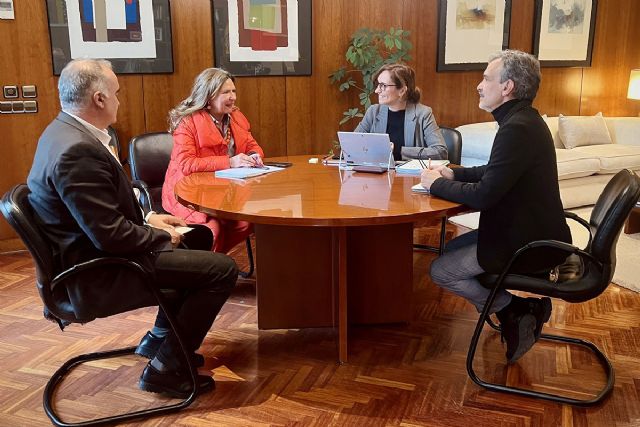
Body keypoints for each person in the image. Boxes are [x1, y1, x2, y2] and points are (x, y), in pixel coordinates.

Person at [27, 59, 238, 398]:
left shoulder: (61, 132)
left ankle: (158, 341)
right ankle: (167, 370)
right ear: (99, 99)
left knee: (197, 241)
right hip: (98, 272)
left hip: (93, 252)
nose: (118, 100)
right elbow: (109, 235)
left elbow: (99, 213)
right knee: (222, 270)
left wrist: (150, 219)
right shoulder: (77, 151)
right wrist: (160, 235)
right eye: (116, 93)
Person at [420, 50, 572, 363]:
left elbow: (486, 194)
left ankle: (515, 309)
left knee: (441, 270)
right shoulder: (524, 120)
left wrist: (435, 184)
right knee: (448, 251)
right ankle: (518, 310)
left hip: (528, 243)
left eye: (486, 78)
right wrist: (454, 172)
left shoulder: (517, 128)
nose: (479, 85)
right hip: (526, 230)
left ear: (507, 87)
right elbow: (497, 170)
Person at [162, 68, 264, 253]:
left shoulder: (236, 117)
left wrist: (255, 156)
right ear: (208, 97)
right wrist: (230, 162)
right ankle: (210, 270)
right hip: (189, 194)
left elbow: (252, 145)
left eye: (233, 91)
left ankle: (218, 263)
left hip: (225, 191)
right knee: (213, 230)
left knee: (245, 222)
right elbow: (186, 163)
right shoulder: (187, 122)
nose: (232, 97)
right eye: (226, 92)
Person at [355, 63, 447, 161]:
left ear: (402, 91)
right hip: (377, 173)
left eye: (383, 86)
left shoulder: (423, 114)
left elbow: (440, 152)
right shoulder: (373, 112)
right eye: (378, 85)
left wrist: (398, 151)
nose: (377, 90)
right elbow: (353, 143)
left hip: (409, 175)